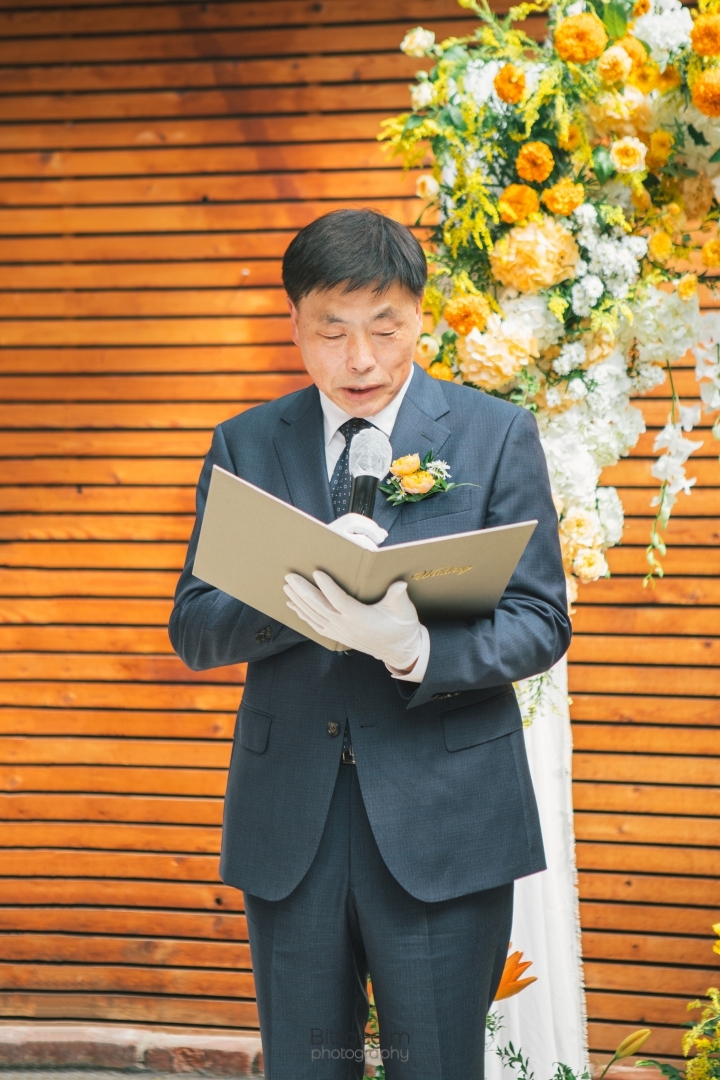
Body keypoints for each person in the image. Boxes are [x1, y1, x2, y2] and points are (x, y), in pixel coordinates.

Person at [169, 209, 571, 1080]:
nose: (360, 360)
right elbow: (195, 628)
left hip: (445, 813)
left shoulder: (494, 433)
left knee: (436, 1064)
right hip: (292, 822)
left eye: (385, 330)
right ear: (294, 323)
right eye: (332, 332)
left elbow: (541, 620)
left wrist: (413, 647)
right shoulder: (246, 442)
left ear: (420, 315)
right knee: (309, 1064)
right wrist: (299, 603)